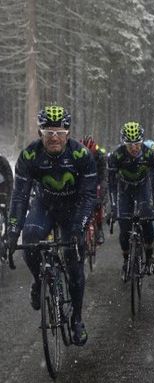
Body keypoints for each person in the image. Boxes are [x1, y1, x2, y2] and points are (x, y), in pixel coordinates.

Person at [7, 105, 96, 346]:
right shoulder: (29, 156)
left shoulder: (81, 156)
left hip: (73, 208)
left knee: (74, 262)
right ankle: (39, 280)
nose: (54, 137)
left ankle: (77, 319)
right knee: (31, 239)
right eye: (48, 132)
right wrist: (12, 231)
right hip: (43, 206)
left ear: (68, 132)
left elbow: (89, 196)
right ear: (40, 133)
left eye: (59, 131)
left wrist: (79, 227)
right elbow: (19, 197)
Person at [108, 121, 154, 279]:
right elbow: (111, 184)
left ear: (142, 141)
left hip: (143, 188)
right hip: (124, 190)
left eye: (137, 144)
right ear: (123, 143)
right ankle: (126, 260)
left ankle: (150, 255)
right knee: (124, 227)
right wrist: (113, 207)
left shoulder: (150, 154)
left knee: (147, 219)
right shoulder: (117, 155)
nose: (134, 148)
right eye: (129, 144)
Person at [81, 135, 107, 244]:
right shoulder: (77, 155)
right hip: (83, 180)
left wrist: (100, 197)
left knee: (97, 204)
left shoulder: (100, 157)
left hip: (97, 180)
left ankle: (99, 229)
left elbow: (103, 178)